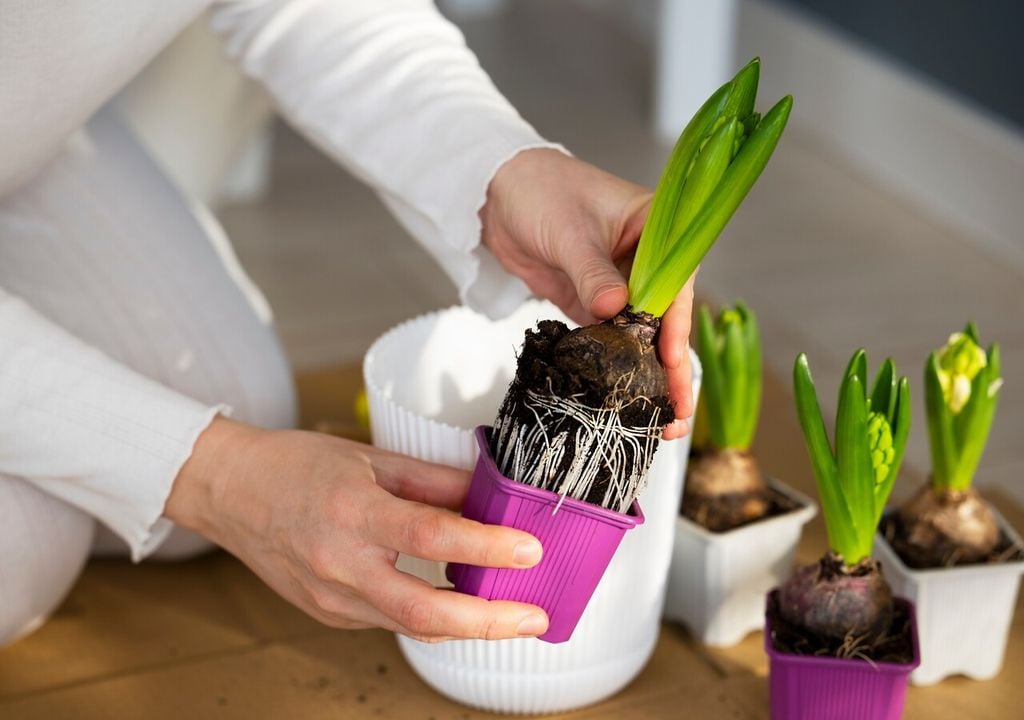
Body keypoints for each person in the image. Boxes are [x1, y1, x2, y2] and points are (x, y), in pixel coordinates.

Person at [0, 0, 695, 646]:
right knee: (31, 550)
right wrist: (213, 476)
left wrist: (502, 170)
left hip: (33, 133)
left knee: (240, 412)